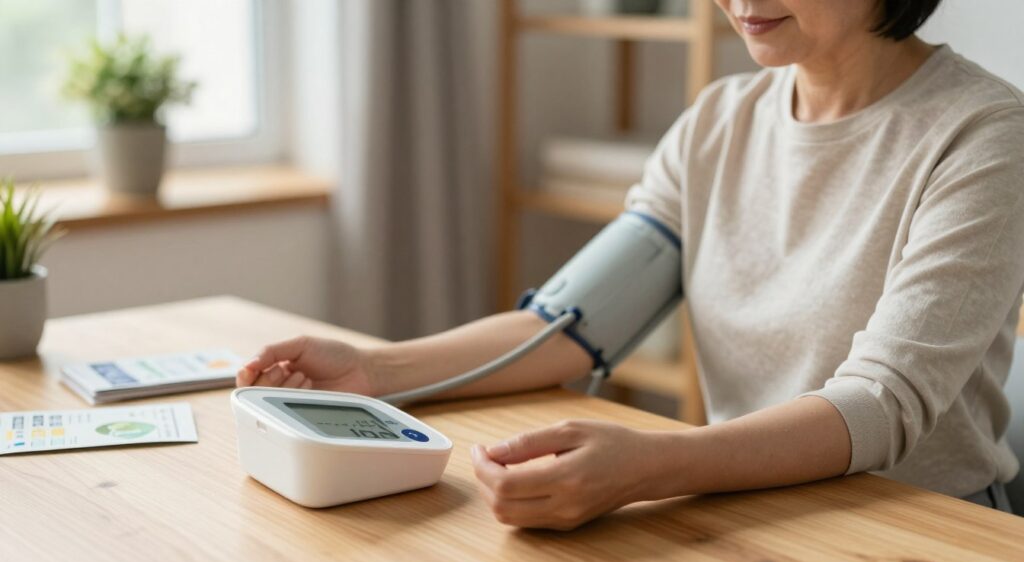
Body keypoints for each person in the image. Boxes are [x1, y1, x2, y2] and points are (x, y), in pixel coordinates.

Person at [237, 0, 1024, 528]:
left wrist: (653, 464)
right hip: (757, 512)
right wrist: (375, 370)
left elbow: (882, 402)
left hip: (929, 530)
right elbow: (570, 325)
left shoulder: (985, 135)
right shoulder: (718, 123)